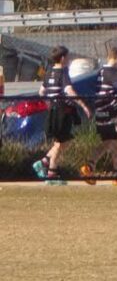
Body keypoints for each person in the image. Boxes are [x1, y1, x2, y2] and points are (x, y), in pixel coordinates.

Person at [34, 46, 88, 181]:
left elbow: (41, 91)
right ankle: (51, 173)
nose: (69, 60)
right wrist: (83, 105)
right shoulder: (63, 72)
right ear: (63, 58)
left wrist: (49, 103)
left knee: (64, 141)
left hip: (53, 111)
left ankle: (44, 162)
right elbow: (69, 90)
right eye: (68, 57)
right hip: (62, 112)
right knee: (61, 142)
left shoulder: (49, 72)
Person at [80, 40, 117, 183]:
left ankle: (89, 166)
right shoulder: (111, 72)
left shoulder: (101, 71)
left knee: (107, 142)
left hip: (101, 113)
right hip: (110, 115)